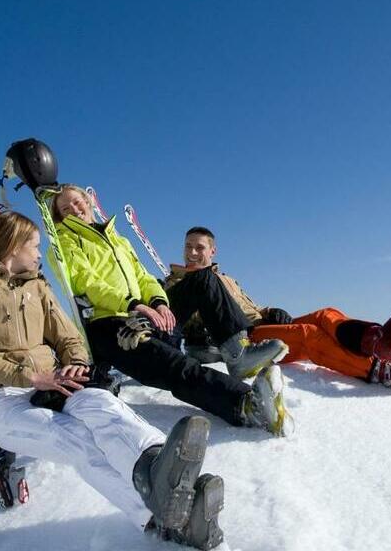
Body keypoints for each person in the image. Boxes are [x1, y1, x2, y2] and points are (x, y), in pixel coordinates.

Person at [0, 211, 224, 550]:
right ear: (13, 246)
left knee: (105, 406)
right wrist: (29, 375)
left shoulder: (37, 286)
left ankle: (159, 466)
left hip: (56, 382)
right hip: (6, 396)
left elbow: (69, 336)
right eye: (33, 245)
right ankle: (160, 521)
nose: (37, 252)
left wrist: (75, 363)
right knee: (75, 438)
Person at [48, 183, 293, 437]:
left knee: (203, 279)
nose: (75, 210)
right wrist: (133, 305)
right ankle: (246, 405)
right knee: (176, 365)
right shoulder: (63, 243)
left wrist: (159, 302)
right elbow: (88, 284)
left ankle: (237, 355)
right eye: (66, 208)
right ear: (60, 216)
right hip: (112, 326)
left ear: (87, 203)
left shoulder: (116, 239)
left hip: (145, 315)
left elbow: (144, 277)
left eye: (78, 202)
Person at [166, 226, 391, 394]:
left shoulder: (225, 279)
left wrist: (270, 311)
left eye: (199, 247)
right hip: (240, 338)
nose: (192, 253)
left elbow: (251, 308)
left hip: (259, 324)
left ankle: (377, 341)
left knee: (325, 314)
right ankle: (386, 372)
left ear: (212, 251)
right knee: (308, 334)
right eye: (188, 247)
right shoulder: (181, 283)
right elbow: (184, 319)